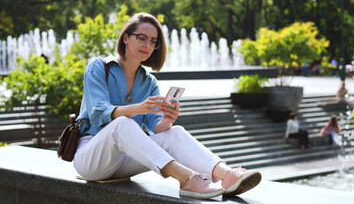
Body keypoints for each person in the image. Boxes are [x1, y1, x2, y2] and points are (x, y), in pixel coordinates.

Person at [72, 13, 261, 200]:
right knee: (122, 123)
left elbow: (155, 127)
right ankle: (188, 178)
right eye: (142, 38)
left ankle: (227, 175)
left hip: (125, 161)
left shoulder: (149, 82)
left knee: (175, 133)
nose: (147, 45)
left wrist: (166, 121)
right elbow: (97, 113)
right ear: (126, 38)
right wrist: (137, 108)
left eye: (153, 41)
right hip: (91, 159)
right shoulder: (98, 67)